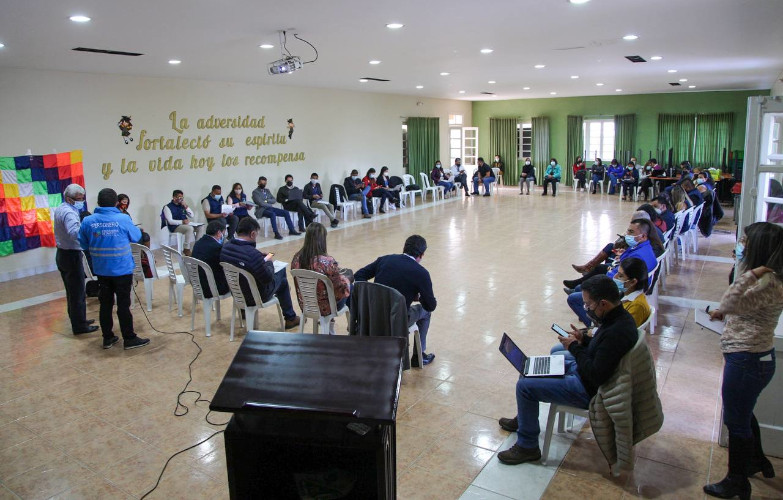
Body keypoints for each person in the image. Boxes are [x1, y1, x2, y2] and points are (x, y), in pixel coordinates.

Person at [496, 275, 638, 465]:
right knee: (536, 365)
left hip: (590, 389)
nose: (586, 309)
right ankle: (524, 418)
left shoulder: (617, 331)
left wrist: (575, 347)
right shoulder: (618, 317)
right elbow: (602, 349)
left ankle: (527, 446)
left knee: (525, 387)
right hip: (589, 373)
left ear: (603, 304)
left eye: (588, 305)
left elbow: (596, 374)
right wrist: (584, 339)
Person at [703, 222, 783, 499]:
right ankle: (756, 461)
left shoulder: (767, 282)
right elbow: (737, 309)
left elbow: (731, 301)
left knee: (736, 421)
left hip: (748, 359)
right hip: (753, 357)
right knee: (743, 413)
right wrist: (725, 314)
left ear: (758, 247)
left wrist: (749, 274)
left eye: (746, 241)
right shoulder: (769, 281)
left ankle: (737, 481)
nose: (741, 244)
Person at [79, 188, 150, 350]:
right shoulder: (123, 219)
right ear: (116, 203)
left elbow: (82, 243)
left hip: (101, 270)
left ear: (98, 202)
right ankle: (129, 338)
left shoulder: (88, 221)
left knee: (105, 304)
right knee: (123, 305)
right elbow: (137, 237)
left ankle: (108, 338)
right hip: (122, 269)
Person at [355, 235, 437, 366]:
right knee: (425, 313)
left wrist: (368, 295)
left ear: (404, 248)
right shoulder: (421, 273)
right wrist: (419, 298)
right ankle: (418, 356)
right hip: (397, 319)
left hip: (373, 313)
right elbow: (431, 305)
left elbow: (359, 276)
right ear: (421, 255)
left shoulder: (385, 260)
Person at [566, 219, 658, 327]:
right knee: (586, 284)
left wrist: (610, 275)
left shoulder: (638, 257)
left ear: (643, 236)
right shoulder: (644, 248)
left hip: (620, 287)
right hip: (630, 284)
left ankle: (594, 325)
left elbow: (621, 276)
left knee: (575, 297)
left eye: (631, 232)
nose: (626, 234)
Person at [220, 217, 301, 329]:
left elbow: (243, 261)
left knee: (244, 276)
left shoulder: (226, 248)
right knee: (282, 279)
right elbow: (267, 279)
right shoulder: (252, 255)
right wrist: (268, 262)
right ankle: (290, 318)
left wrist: (259, 259)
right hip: (254, 296)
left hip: (237, 293)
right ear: (253, 234)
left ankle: (243, 310)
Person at [54, 184, 98, 335]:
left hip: (63, 254)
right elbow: (74, 233)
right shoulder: (69, 213)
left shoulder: (62, 208)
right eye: (78, 199)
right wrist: (90, 235)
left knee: (72, 291)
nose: (81, 201)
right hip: (70, 255)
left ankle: (79, 319)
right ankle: (79, 326)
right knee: (77, 292)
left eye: (82, 198)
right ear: (68, 198)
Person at [291, 222, 351, 334]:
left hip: (307, 304)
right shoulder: (327, 262)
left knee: (325, 289)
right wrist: (347, 280)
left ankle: (329, 327)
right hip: (326, 307)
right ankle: (352, 326)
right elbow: (340, 289)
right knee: (350, 288)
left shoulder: (296, 258)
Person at [190, 220, 229, 298]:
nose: (223, 237)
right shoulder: (217, 247)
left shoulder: (198, 243)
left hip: (197, 284)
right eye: (223, 233)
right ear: (219, 233)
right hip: (212, 288)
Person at [161, 190, 196, 256]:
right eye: (179, 197)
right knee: (190, 229)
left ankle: (197, 247)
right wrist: (182, 222)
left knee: (200, 227)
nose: (181, 199)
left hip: (185, 225)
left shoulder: (182, 206)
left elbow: (192, 215)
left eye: (182, 197)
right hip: (175, 227)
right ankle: (186, 249)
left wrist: (186, 207)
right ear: (174, 198)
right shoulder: (167, 207)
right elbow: (170, 221)